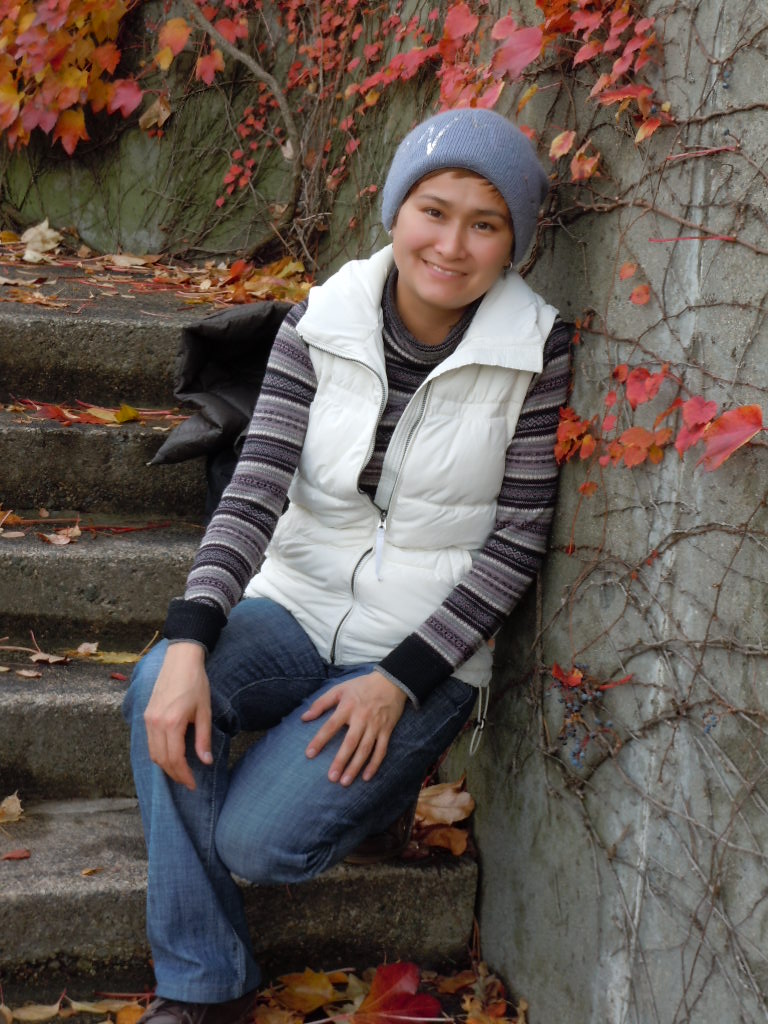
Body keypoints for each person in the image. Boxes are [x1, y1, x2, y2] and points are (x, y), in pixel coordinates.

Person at [123, 107, 571, 1024]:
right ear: (397, 211)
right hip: (294, 602)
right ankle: (204, 982)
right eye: (434, 212)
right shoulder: (317, 322)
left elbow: (517, 539)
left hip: (421, 648)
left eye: (485, 225)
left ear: (514, 242)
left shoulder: (536, 349)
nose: (451, 245)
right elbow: (254, 490)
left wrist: (400, 681)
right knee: (153, 687)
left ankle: (381, 788)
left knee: (256, 842)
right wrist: (190, 638)